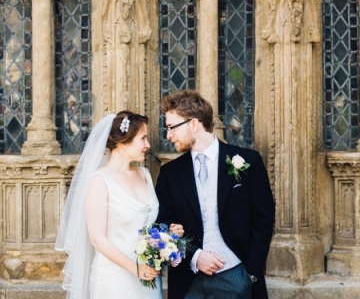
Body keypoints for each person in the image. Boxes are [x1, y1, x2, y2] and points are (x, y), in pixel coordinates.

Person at [155, 90, 275, 299]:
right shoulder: (170, 173)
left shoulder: (249, 161)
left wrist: (250, 275)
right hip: (188, 282)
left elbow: (263, 220)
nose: (168, 135)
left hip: (237, 278)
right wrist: (195, 256)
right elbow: (163, 225)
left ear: (193, 124)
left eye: (171, 127)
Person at [56, 111, 183, 299]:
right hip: (114, 278)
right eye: (143, 138)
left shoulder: (144, 174)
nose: (148, 145)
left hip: (148, 276)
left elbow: (147, 224)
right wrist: (135, 269)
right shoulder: (100, 181)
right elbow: (98, 238)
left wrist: (170, 234)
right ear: (124, 141)